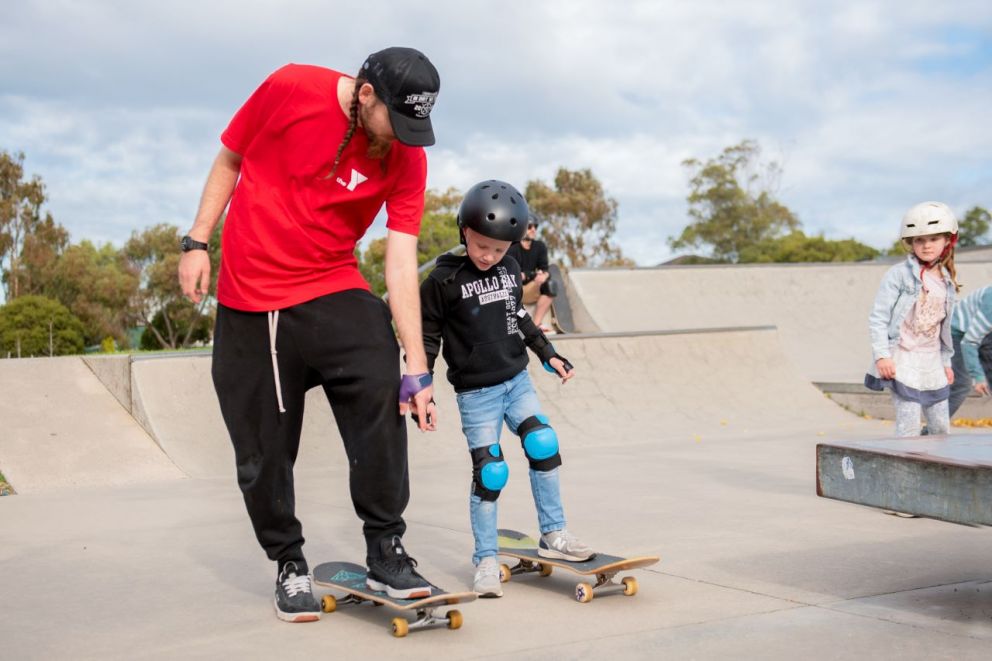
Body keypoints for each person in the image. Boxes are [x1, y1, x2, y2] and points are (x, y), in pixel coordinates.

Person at [177, 47, 440, 623]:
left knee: (379, 373)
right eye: (395, 123)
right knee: (263, 450)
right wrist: (198, 241)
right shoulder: (291, 87)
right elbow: (230, 158)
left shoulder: (407, 156)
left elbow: (400, 262)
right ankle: (289, 561)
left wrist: (417, 368)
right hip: (253, 300)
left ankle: (385, 547)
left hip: (331, 283)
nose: (401, 138)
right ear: (365, 94)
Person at [418, 180, 593, 598]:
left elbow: (520, 318)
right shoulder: (443, 281)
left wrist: (549, 354)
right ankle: (485, 558)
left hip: (517, 381)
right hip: (476, 394)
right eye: (481, 246)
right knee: (491, 471)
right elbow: (427, 338)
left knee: (543, 443)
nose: (489, 256)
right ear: (464, 231)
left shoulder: (511, 269)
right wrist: (421, 385)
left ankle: (554, 532)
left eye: (499, 249)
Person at [865, 201, 959, 437]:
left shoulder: (947, 281)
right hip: (903, 360)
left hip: (932, 363)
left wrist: (946, 363)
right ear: (911, 243)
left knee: (940, 428)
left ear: (948, 240)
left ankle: (934, 469)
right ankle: (905, 471)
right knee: (908, 427)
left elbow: (943, 329)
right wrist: (882, 355)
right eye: (919, 240)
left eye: (934, 239)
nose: (926, 245)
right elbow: (878, 317)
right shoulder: (899, 275)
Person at [506, 212, 557, 331]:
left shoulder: (540, 246)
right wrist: (533, 274)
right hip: (516, 291)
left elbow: (544, 268)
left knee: (550, 285)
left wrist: (544, 275)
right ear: (522, 229)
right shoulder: (512, 248)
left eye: (535, 227)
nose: (533, 229)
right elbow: (516, 275)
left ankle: (536, 325)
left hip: (531, 287)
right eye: (529, 227)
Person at [948, 285, 992, 417]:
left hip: (984, 334)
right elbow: (969, 342)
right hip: (957, 332)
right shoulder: (990, 306)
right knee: (962, 386)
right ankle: (933, 429)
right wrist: (977, 376)